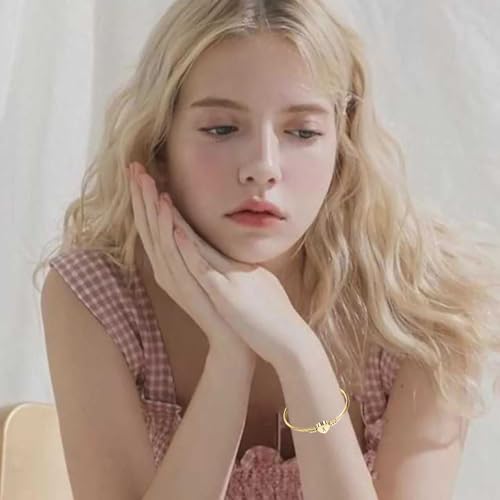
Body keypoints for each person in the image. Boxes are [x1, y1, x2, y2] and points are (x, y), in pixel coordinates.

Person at [33, 1, 500, 499]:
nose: (263, 167)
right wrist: (228, 360)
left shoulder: (425, 302)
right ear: (160, 144)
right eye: (221, 129)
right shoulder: (98, 297)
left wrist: (301, 358)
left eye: (302, 132)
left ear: (343, 149)